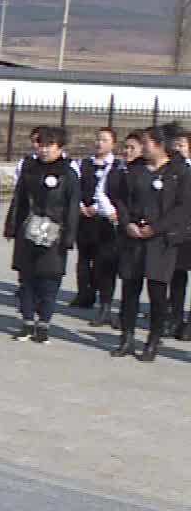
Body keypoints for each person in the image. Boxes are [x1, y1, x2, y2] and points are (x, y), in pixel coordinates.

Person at [109, 126, 191, 361]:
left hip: (161, 240)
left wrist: (156, 228)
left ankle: (153, 341)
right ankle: (126, 338)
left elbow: (183, 207)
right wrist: (127, 223)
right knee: (130, 290)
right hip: (133, 238)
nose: (141, 147)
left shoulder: (180, 172)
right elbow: (121, 199)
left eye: (145, 143)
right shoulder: (133, 170)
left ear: (159, 145)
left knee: (157, 293)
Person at [4, 127, 80, 344]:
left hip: (55, 233)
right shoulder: (29, 169)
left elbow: (72, 207)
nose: (44, 150)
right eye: (42, 145)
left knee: (49, 281)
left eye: (50, 145)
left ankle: (44, 325)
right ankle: (27, 322)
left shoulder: (68, 173)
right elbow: (18, 199)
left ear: (60, 147)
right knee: (26, 279)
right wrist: (12, 226)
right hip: (28, 231)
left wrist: (69, 237)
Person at [72, 127, 123, 326]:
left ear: (113, 144)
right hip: (84, 219)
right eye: (97, 139)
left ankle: (105, 303)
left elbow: (112, 193)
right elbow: (75, 187)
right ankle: (84, 294)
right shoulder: (84, 164)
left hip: (104, 221)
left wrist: (96, 206)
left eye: (104, 140)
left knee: (104, 263)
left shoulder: (117, 166)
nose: (99, 143)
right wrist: (80, 206)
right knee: (84, 258)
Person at [169, 123, 191, 341]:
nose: (178, 148)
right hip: (180, 231)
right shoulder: (174, 171)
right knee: (177, 275)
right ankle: (174, 316)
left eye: (182, 145)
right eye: (175, 145)